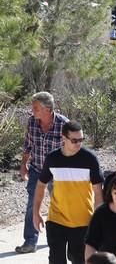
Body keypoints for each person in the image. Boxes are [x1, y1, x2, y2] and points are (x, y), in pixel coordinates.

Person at [33, 120, 104, 264]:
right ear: (63, 138)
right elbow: (41, 185)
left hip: (83, 222)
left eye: (81, 140)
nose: (78, 143)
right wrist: (36, 212)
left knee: (78, 260)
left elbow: (98, 192)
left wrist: (98, 220)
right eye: (74, 140)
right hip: (56, 220)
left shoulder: (90, 159)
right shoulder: (52, 159)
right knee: (56, 260)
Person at [16, 92, 68, 255]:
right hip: (37, 169)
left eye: (36, 108)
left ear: (48, 109)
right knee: (32, 203)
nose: (32, 111)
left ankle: (63, 237)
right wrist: (24, 164)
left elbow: (73, 148)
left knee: (60, 205)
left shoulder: (63, 124)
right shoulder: (32, 122)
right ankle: (30, 241)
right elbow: (28, 144)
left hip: (58, 173)